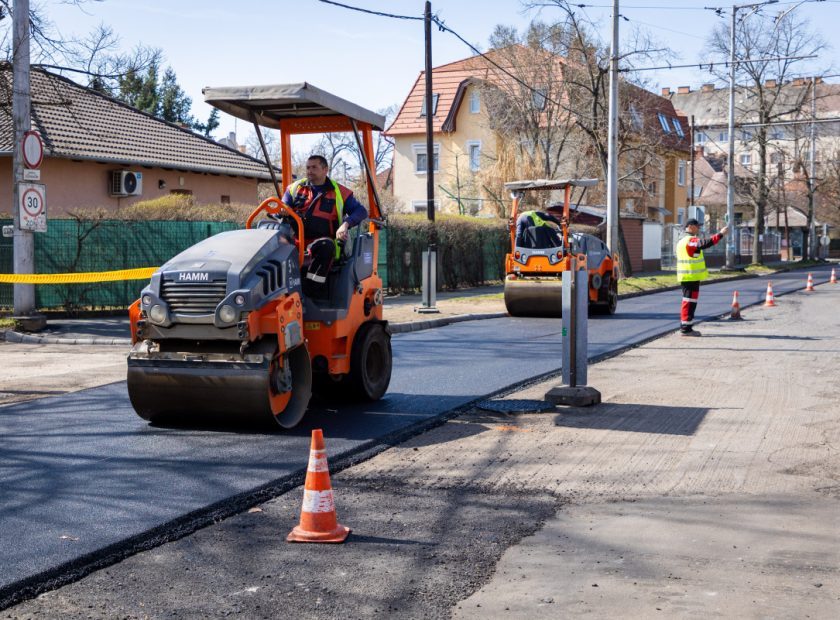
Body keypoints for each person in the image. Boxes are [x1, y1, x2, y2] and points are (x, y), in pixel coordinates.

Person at [281, 155, 368, 296]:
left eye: (314, 167)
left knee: (325, 246)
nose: (309, 171)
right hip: (296, 241)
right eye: (308, 167)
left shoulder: (339, 192)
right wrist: (283, 208)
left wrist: (345, 224)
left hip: (325, 243)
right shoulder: (295, 188)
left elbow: (361, 211)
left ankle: (311, 291)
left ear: (325, 169)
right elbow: (283, 204)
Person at [677, 218, 729, 337]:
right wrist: (721, 234)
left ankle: (686, 326)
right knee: (689, 302)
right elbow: (705, 243)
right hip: (690, 276)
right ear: (690, 226)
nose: (699, 228)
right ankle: (686, 329)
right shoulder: (690, 240)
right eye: (697, 226)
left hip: (689, 276)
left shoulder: (682, 241)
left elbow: (695, 252)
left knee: (690, 302)